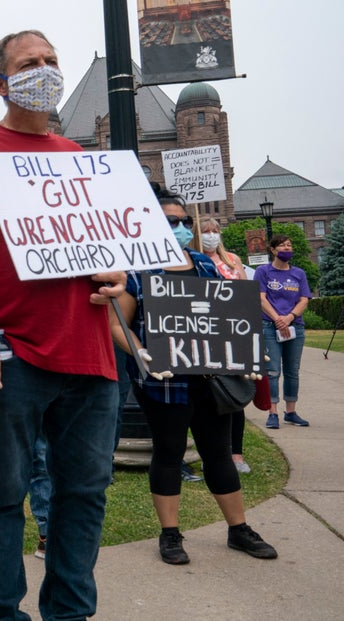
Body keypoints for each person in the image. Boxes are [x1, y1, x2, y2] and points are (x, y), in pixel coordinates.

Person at [0, 30, 124, 621]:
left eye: (50, 61)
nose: (43, 71)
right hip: (13, 356)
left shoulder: (81, 159)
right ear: (0, 82)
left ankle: (69, 610)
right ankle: (1, 611)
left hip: (90, 358)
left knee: (83, 494)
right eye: (28, 64)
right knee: (1, 493)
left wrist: (117, 277)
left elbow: (109, 253)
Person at [109, 185, 277, 566]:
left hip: (209, 379)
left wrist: (246, 351)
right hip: (164, 381)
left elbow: (227, 315)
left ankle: (239, 529)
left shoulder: (203, 264)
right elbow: (116, 322)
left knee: (217, 451)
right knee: (168, 453)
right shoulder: (138, 271)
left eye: (185, 221)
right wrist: (141, 353)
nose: (182, 227)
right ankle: (170, 535)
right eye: (173, 222)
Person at [195, 218, 252, 473]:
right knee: (207, 394)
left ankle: (236, 453)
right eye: (206, 232)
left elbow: (245, 295)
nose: (211, 236)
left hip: (233, 334)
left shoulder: (232, 260)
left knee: (234, 392)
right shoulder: (193, 260)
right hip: (204, 336)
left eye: (215, 231)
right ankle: (211, 451)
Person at [255, 234, 312, 429]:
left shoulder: (299, 273)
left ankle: (291, 411)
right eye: (282, 246)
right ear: (273, 249)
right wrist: (277, 319)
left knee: (292, 371)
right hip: (270, 326)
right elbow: (260, 298)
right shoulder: (263, 271)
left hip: (295, 326)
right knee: (272, 371)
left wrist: (289, 318)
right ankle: (272, 413)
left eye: (289, 245)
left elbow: (304, 299)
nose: (287, 249)